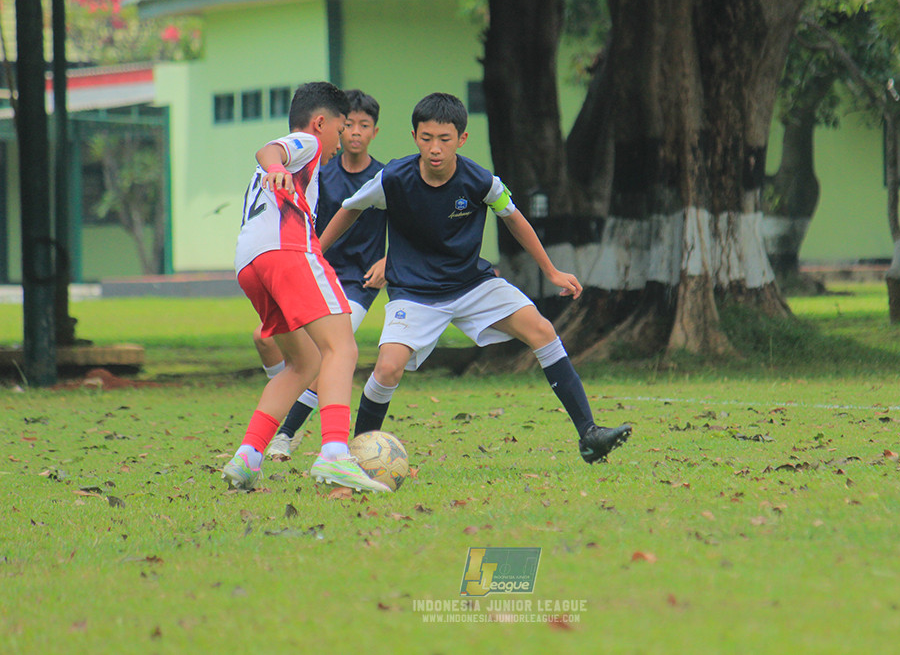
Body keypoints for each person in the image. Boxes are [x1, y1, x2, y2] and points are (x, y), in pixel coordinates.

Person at [319, 92, 632, 464]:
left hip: (471, 284)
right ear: (415, 136)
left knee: (542, 329)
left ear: (462, 139)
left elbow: (514, 218)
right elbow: (349, 210)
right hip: (414, 294)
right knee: (387, 367)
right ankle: (358, 455)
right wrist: (315, 252)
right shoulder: (393, 179)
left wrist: (551, 270)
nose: (435, 148)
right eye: (426, 138)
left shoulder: (480, 182)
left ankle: (589, 435)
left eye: (444, 139)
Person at [222, 81, 388, 492]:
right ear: (320, 123)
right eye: (341, 126)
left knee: (304, 364)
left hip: (250, 262)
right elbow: (270, 151)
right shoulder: (308, 144)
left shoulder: (307, 165)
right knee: (342, 346)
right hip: (286, 251)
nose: (343, 137)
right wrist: (278, 166)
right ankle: (334, 454)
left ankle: (247, 457)